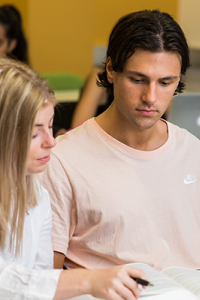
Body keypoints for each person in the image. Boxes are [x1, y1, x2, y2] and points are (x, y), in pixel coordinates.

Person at [41, 9, 200, 272]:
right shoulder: (63, 160)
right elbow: (47, 278)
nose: (151, 97)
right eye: (138, 80)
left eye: (166, 82)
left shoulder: (192, 150)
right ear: (111, 70)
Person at [0, 57, 148, 300]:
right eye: (36, 132)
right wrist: (88, 280)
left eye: (50, 126)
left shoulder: (36, 193)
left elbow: (41, 276)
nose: (51, 142)